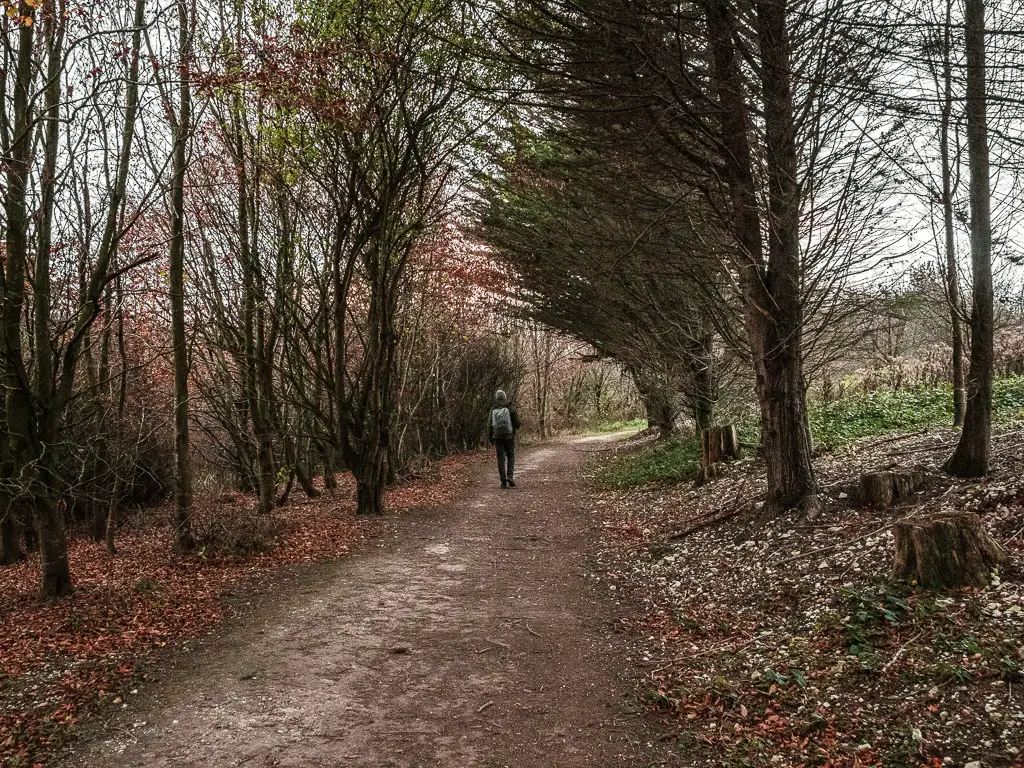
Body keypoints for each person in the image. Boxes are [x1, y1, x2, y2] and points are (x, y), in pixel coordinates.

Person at [487, 389, 521, 488]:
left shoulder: (493, 409)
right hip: (509, 436)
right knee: (510, 456)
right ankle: (510, 476)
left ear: (496, 398)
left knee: (500, 459)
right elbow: (518, 423)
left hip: (497, 437)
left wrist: (490, 438)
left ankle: (503, 482)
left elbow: (489, 426)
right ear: (505, 397)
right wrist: (513, 429)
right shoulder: (510, 408)